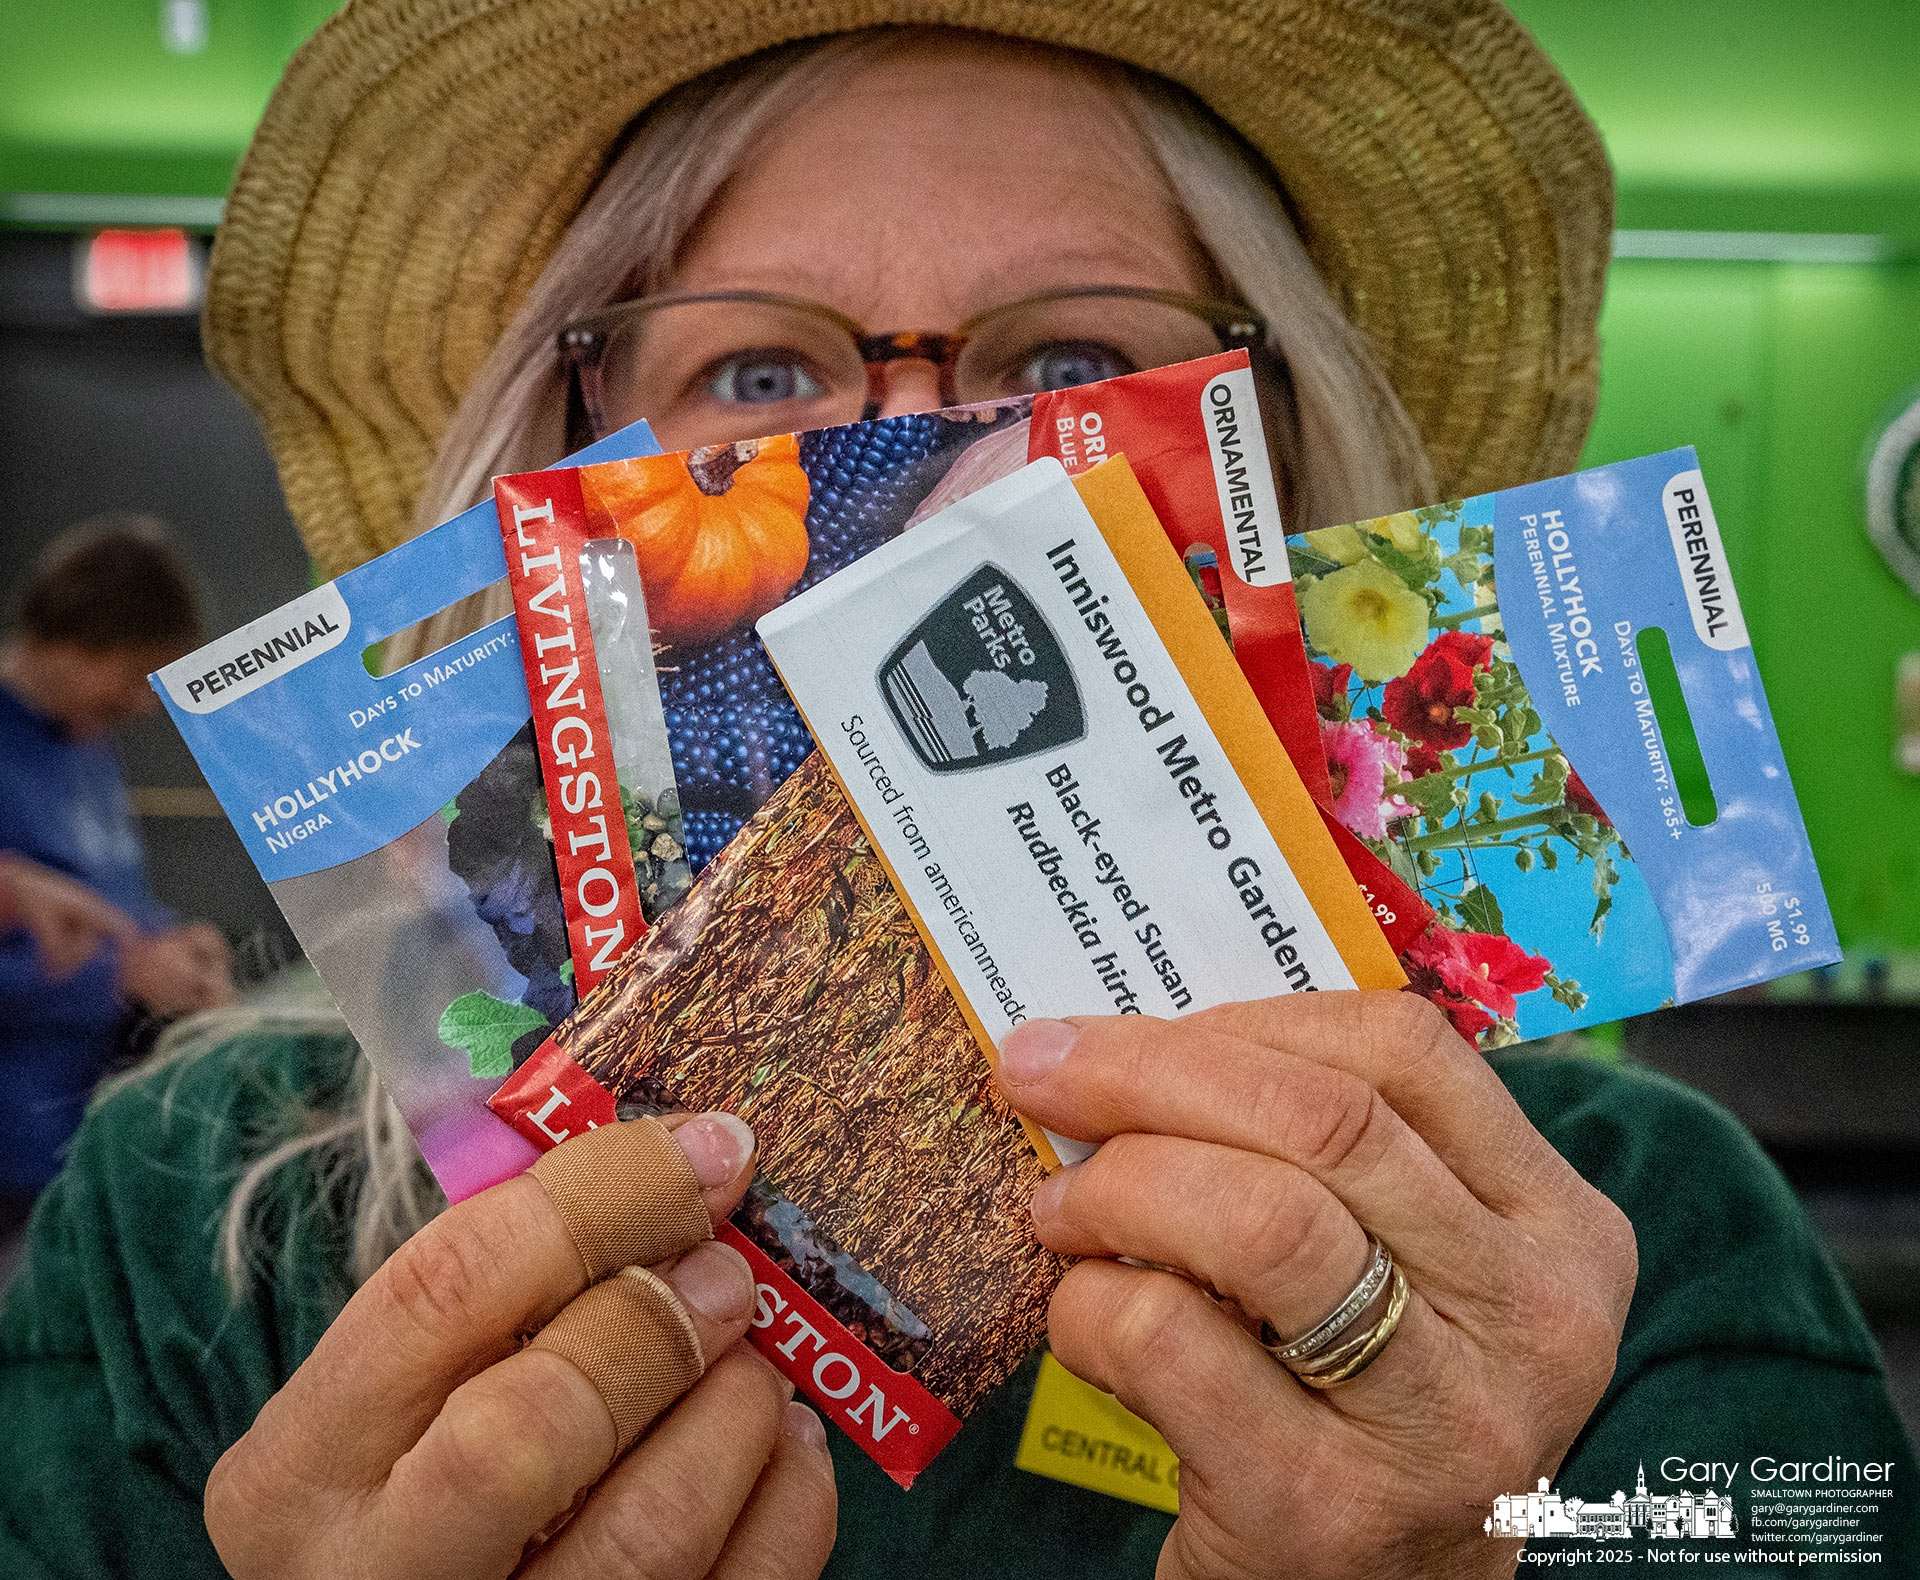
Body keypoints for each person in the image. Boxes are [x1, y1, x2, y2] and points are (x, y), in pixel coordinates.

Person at [2, 6, 1913, 1577]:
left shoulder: (1636, 1250)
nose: (920, 474)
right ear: (550, 510)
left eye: (1073, 361)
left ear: (1279, 491)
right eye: (763, 370)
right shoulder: (192, 1231)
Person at [0, 517, 234, 1204]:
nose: (140, 705)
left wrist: (173, 942)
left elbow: (109, 896)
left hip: (74, 1137)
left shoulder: (84, 742)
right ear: (70, 641)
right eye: (133, 676)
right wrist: (121, 973)